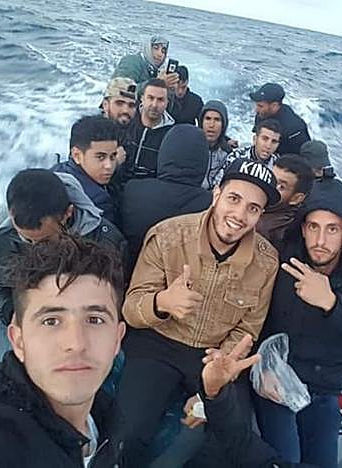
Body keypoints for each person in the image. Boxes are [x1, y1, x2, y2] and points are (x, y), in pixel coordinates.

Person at [0, 236, 285, 468]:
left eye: (94, 319)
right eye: (51, 320)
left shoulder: (102, 416)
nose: (76, 342)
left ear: (118, 338)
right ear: (17, 339)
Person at [117, 158, 281, 466]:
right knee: (128, 434)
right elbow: (131, 307)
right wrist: (162, 302)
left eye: (253, 208)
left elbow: (249, 327)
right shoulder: (167, 235)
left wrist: (214, 382)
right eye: (234, 199)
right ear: (216, 194)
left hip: (214, 354)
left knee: (224, 446)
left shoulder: (266, 262)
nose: (239, 215)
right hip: (158, 343)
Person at [255, 179, 342, 467]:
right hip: (278, 377)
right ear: (303, 229)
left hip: (325, 386)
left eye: (332, 229)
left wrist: (332, 303)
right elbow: (254, 318)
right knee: (286, 460)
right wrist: (262, 366)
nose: (320, 241)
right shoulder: (282, 258)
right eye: (313, 227)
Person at [0, 169, 127, 325]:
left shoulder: (105, 241)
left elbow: (118, 296)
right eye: (26, 238)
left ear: (68, 213)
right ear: (10, 214)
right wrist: (13, 314)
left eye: (45, 240)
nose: (35, 247)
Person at [121, 124, 213, 268]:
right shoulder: (210, 204)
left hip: (132, 273)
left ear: (163, 154)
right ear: (203, 161)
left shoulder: (132, 190)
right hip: (184, 277)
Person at [52, 115, 124, 224]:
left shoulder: (56, 170)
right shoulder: (98, 201)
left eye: (113, 156)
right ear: (77, 155)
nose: (109, 165)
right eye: (101, 157)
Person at [256, 154, 314, 248]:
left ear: (296, 198)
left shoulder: (266, 230)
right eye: (270, 178)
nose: (270, 186)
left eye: (281, 186)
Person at [122, 78, 175, 180]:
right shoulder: (127, 120)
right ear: (142, 98)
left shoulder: (171, 136)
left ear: (167, 103)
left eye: (160, 100)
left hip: (150, 185)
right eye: (150, 98)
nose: (154, 105)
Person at [213, 119, 282, 187]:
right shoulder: (236, 157)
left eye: (274, 141)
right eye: (265, 139)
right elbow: (217, 183)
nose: (268, 146)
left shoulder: (278, 165)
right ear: (255, 139)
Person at [250, 83, 310, 155]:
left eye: (260, 106)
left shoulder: (294, 128)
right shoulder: (262, 114)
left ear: (274, 105)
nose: (256, 110)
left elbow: (305, 155)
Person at [112, 34, 179, 92]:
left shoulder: (154, 71)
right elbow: (121, 90)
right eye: (156, 48)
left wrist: (170, 91)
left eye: (163, 51)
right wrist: (157, 84)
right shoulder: (132, 61)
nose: (160, 54)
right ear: (148, 48)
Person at [199, 100, 235, 189]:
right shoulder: (189, 147)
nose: (211, 125)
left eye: (217, 120)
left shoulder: (228, 153)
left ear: (223, 125)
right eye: (208, 119)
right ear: (201, 122)